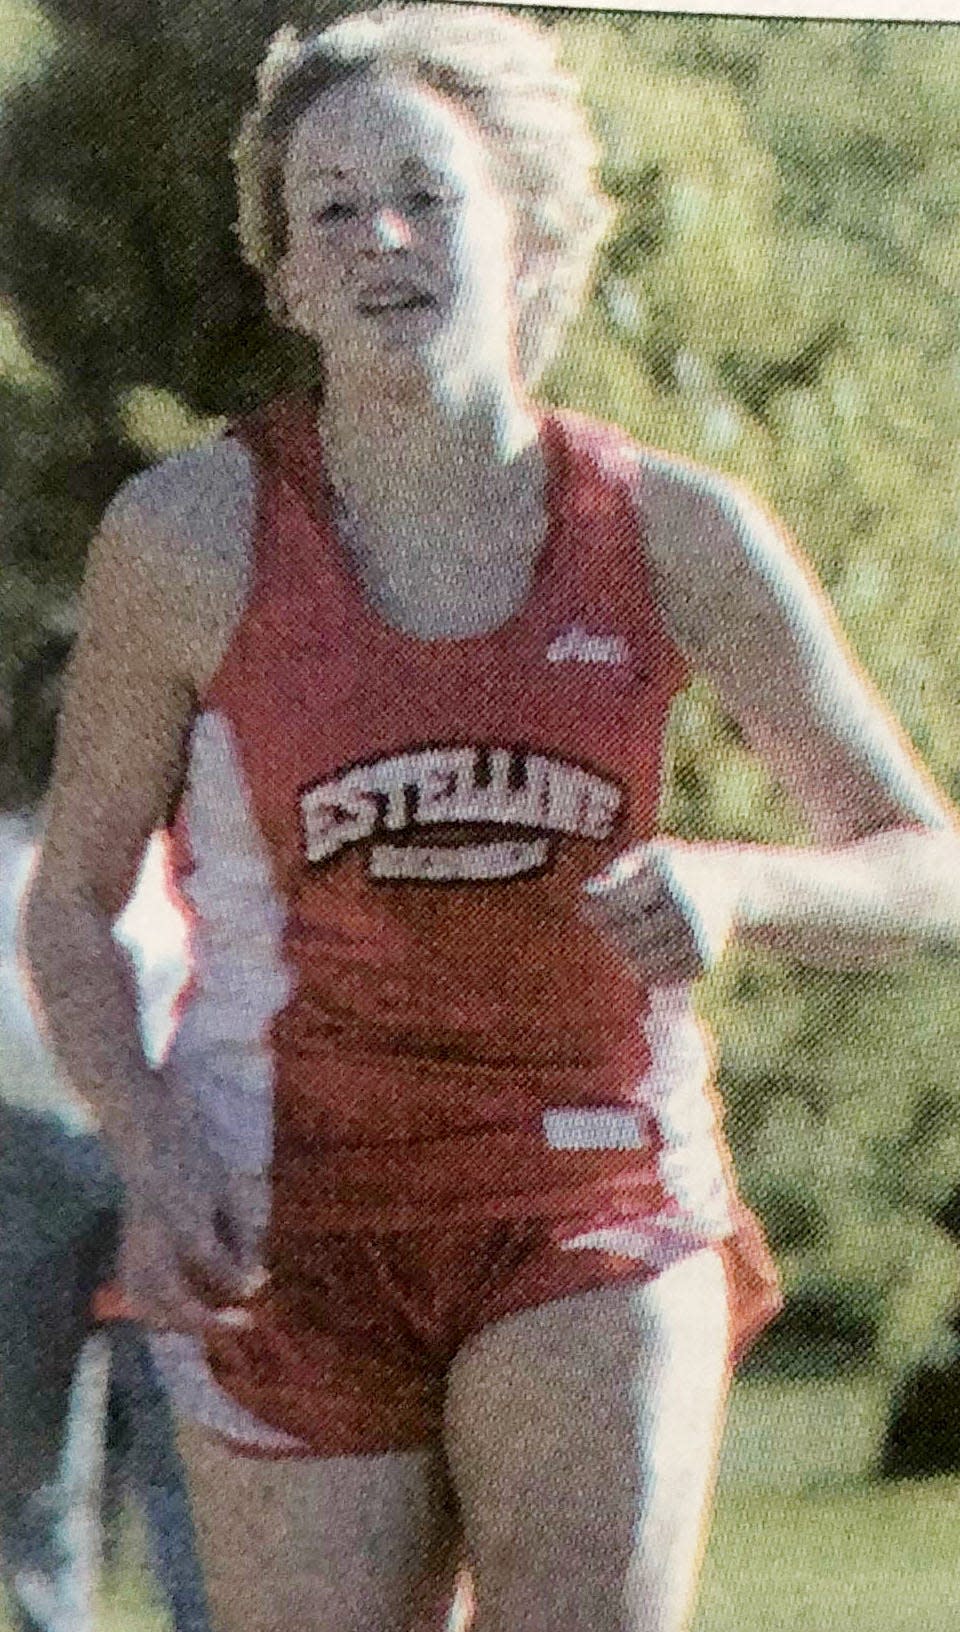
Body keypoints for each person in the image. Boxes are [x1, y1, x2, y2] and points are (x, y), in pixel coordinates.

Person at [20, 6, 960, 1631]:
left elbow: (929, 865)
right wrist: (156, 1151)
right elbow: (74, 902)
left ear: (523, 229)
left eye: (427, 192)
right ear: (289, 278)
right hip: (285, 1201)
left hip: (588, 1189)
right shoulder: (192, 538)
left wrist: (739, 889)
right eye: (332, 208)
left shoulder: (675, 528)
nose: (382, 235)